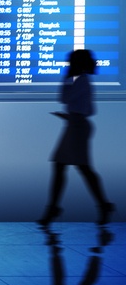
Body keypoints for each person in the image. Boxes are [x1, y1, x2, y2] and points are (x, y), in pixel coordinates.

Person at [37, 49, 115, 226]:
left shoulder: (78, 79)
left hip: (77, 127)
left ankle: (101, 205)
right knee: (72, 168)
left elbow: (64, 97)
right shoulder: (83, 80)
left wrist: (66, 78)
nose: (68, 65)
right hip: (75, 125)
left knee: (78, 168)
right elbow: (83, 106)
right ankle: (102, 205)